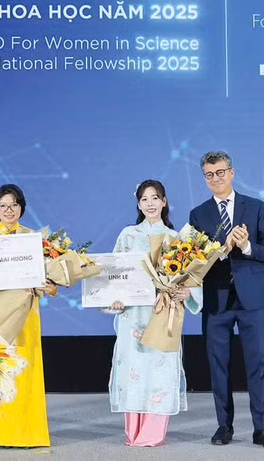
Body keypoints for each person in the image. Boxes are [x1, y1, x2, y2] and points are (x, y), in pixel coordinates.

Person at [189, 151, 264, 451]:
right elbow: (195, 260)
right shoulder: (198, 214)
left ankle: (262, 429)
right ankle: (224, 426)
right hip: (216, 301)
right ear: (204, 178)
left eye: (220, 172)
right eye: (209, 175)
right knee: (219, 366)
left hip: (253, 300)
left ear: (232, 172)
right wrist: (220, 248)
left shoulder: (254, 207)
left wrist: (245, 246)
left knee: (257, 364)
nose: (215, 179)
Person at [105, 180, 202, 446]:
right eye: (144, 199)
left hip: (162, 311)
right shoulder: (127, 234)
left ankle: (153, 432)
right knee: (132, 369)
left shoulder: (177, 238)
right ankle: (133, 431)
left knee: (159, 369)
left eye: (155, 198)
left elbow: (191, 278)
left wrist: (187, 294)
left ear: (164, 201)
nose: (150, 203)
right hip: (132, 315)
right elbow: (114, 272)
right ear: (138, 204)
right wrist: (114, 300)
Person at [0, 184, 56, 447]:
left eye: (14, 204)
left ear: (21, 207)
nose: (9, 210)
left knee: (25, 371)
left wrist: (48, 284)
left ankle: (28, 433)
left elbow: (50, 281)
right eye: (3, 205)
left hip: (27, 312)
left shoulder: (34, 238)